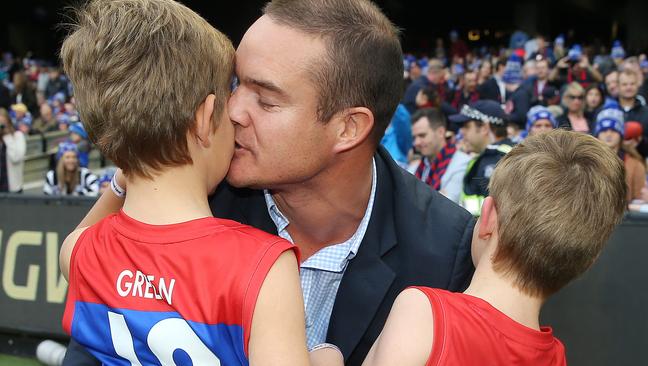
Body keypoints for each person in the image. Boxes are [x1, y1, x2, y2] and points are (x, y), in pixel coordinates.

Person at [63, 1, 475, 365]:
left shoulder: (446, 255)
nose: (234, 110)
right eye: (234, 84)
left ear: (349, 127)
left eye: (266, 99)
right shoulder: (193, 200)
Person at [57, 0, 346, 365]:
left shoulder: (82, 252)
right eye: (229, 98)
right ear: (205, 118)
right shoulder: (263, 265)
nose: (237, 115)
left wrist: (127, 171)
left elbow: (82, 235)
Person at [360, 129, 627, 366]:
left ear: (487, 217)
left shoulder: (425, 313)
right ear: (587, 262)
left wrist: (326, 354)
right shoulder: (556, 357)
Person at [452, 100, 513, 216]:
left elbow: (498, 211)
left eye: (466, 126)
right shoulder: (494, 156)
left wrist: (452, 205)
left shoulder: (498, 160)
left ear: (485, 128)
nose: (462, 132)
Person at [410, 108, 470, 204]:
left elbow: (448, 205)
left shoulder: (463, 163)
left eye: (422, 135)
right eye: (414, 137)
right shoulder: (414, 168)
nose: (416, 142)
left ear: (441, 132)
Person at [594, 108, 648, 202]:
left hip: (626, 215)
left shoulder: (635, 164)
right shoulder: (587, 161)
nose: (608, 134)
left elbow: (640, 200)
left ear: (621, 134)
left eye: (613, 130)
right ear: (597, 135)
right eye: (604, 130)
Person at [617, 70, 648, 157]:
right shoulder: (607, 111)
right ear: (618, 86)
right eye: (624, 84)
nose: (629, 87)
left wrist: (640, 141)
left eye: (632, 84)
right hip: (612, 163)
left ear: (638, 85)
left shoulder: (647, 112)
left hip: (642, 163)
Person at [0, 107, 26, 193]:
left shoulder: (18, 136)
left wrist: (7, 135)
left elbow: (16, 158)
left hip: (13, 189)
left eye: (2, 124)